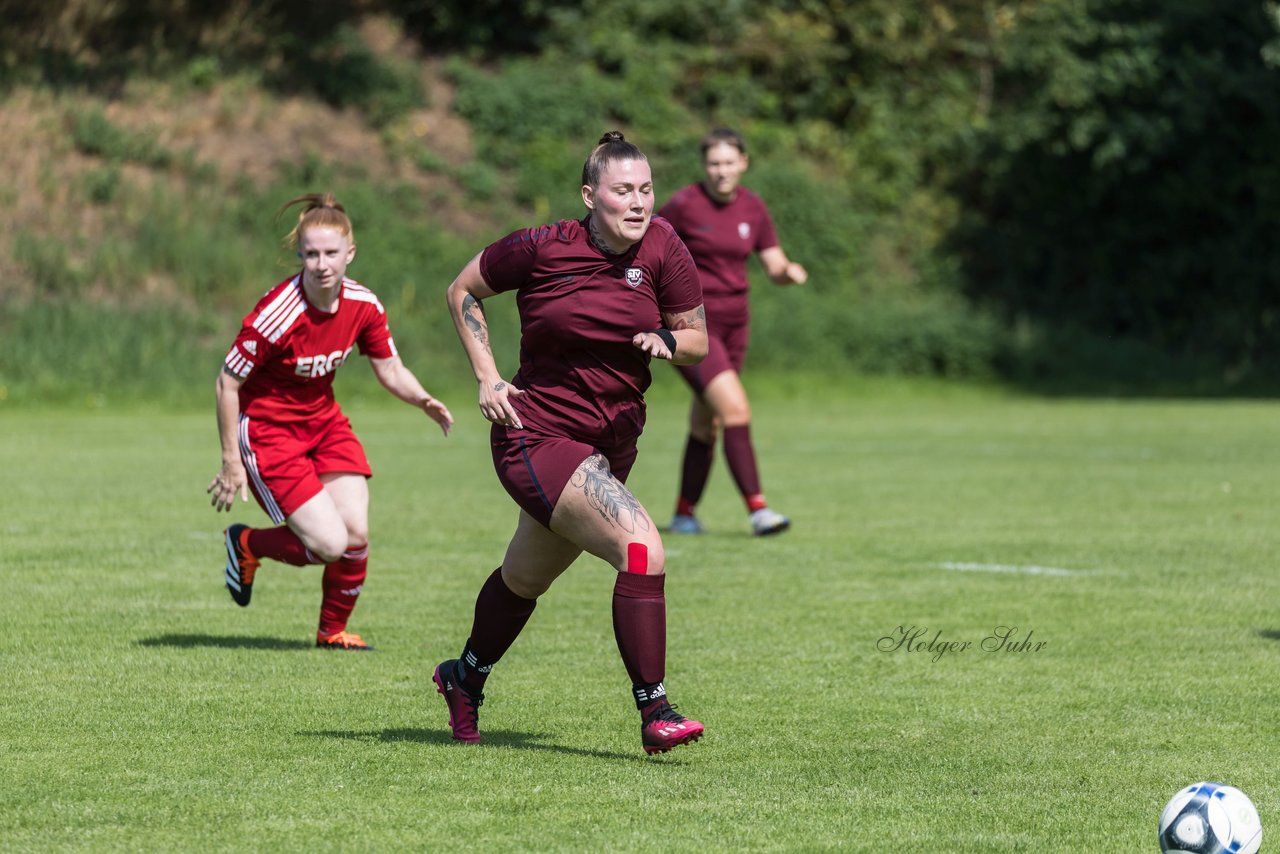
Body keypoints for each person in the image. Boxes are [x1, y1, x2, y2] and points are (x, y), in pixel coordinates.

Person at [434, 131, 709, 754]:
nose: (638, 202)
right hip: (536, 434)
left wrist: (667, 342)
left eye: (645, 189)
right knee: (641, 550)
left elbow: (698, 341)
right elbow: (463, 289)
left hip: (611, 447)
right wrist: (487, 376)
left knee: (525, 578)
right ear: (591, 195)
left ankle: (463, 677)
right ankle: (656, 711)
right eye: (622, 191)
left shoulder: (665, 246)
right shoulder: (543, 246)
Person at [207, 192, 454, 651]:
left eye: (331, 253)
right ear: (300, 254)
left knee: (356, 535)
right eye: (312, 253)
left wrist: (422, 399)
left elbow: (390, 368)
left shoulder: (364, 304)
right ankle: (248, 544)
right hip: (269, 432)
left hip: (325, 425)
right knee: (329, 544)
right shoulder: (277, 314)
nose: (321, 264)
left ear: (350, 254)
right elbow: (227, 383)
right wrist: (230, 461)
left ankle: (332, 632)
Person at [658, 127, 808, 537]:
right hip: (692, 326)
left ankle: (684, 514)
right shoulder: (684, 205)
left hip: (736, 324)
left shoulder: (753, 208)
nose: (720, 171)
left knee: (708, 423)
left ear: (743, 163)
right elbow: (647, 246)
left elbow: (773, 263)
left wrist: (787, 273)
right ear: (703, 166)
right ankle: (758, 509)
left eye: (728, 163)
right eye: (713, 163)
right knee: (736, 410)